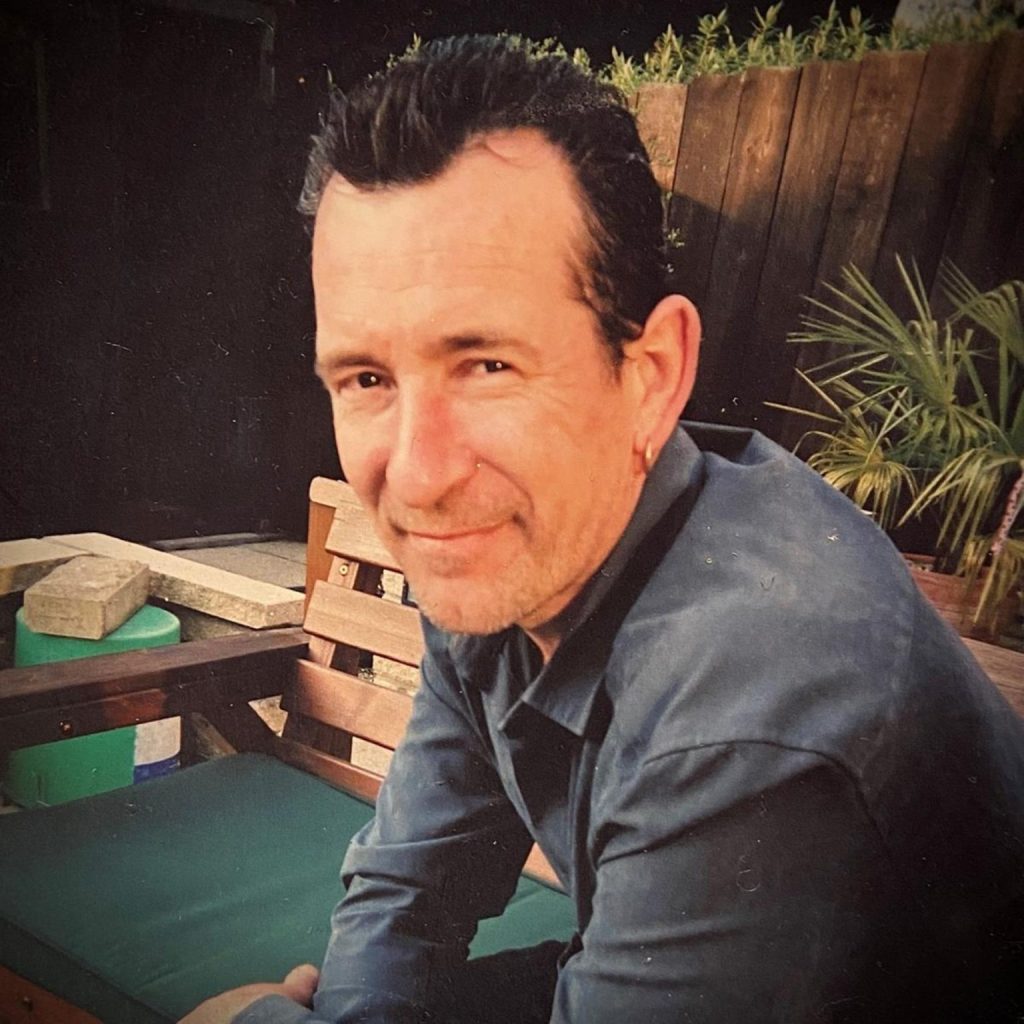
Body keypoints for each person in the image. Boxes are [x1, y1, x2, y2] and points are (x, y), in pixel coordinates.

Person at [183, 35, 1024, 1024]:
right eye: (367, 378)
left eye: (487, 365)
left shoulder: (761, 710)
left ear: (651, 377)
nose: (416, 475)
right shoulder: (514, 561)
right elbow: (411, 888)